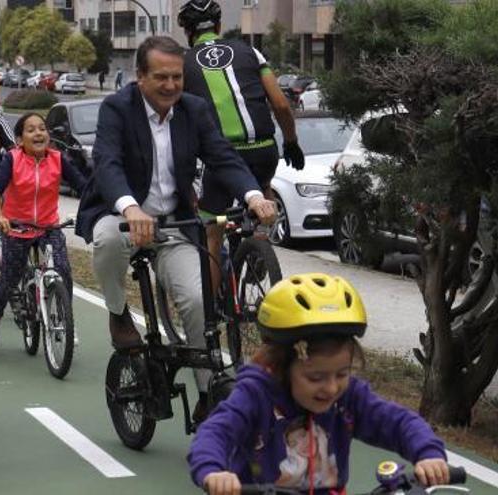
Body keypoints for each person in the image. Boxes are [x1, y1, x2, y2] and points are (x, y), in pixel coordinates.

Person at [74, 36, 275, 422]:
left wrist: (253, 195)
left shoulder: (194, 110)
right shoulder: (117, 108)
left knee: (200, 303)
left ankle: (207, 395)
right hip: (122, 216)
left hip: (174, 223)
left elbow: (222, 156)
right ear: (140, 77)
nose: (171, 86)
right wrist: (131, 208)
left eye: (177, 77)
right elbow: (108, 163)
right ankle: (117, 313)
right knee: (107, 240)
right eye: (161, 77)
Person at [189, 273, 451, 495]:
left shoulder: (348, 398)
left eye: (342, 373)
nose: (332, 388)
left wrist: (428, 453)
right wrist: (213, 470)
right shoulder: (257, 395)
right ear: (283, 367)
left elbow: (397, 421)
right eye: (316, 378)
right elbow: (216, 432)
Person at [178, 0, 305, 290]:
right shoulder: (250, 52)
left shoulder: (184, 64)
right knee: (263, 189)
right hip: (263, 149)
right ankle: (260, 237)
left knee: (213, 229)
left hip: (221, 158)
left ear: (188, 32)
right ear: (219, 26)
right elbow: (282, 105)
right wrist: (291, 142)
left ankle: (209, 316)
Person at [0, 113, 88, 351]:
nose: (39, 133)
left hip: (49, 227)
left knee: (63, 271)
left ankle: (63, 318)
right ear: (20, 139)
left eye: (42, 128)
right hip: (16, 228)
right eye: (31, 130)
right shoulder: (12, 159)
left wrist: (93, 209)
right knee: (8, 282)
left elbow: (83, 187)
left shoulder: (58, 159)